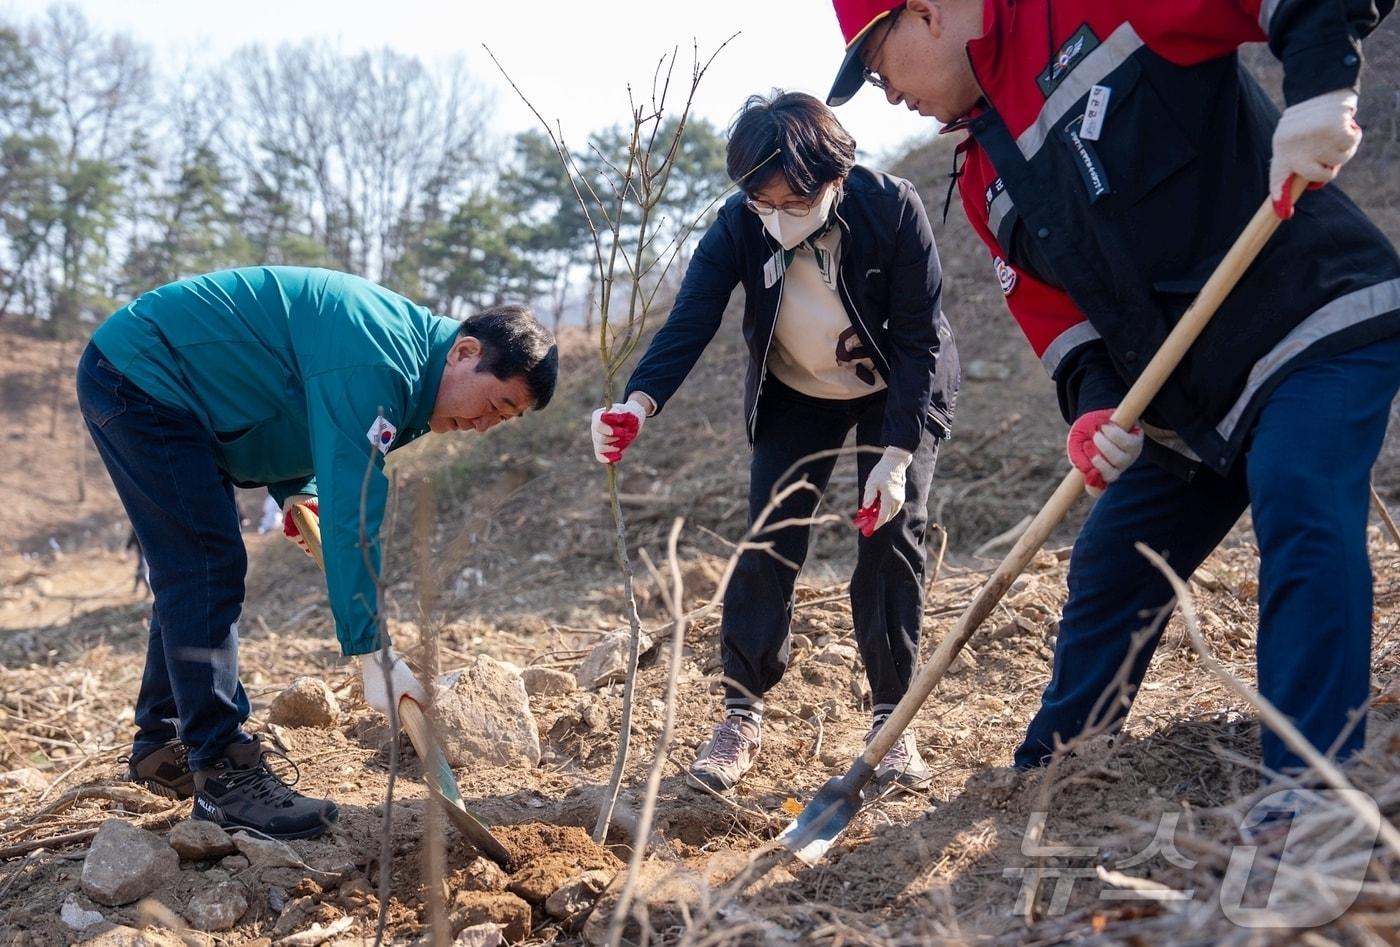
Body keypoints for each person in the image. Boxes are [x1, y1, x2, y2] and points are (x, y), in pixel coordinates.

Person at [825, 0, 1400, 776]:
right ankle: (1053, 771)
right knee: (1109, 560)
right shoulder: (984, 176)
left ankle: (1312, 784)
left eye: (874, 62)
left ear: (924, 13)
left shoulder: (1090, 7)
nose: (884, 92)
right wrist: (1095, 406)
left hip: (1307, 320)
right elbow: (1061, 324)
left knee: (1298, 494)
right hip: (1185, 401)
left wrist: (1323, 88)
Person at [78, 266, 558, 838]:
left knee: (196, 567)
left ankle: (164, 743)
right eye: (494, 403)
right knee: (205, 566)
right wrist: (373, 649)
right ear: (466, 351)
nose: (483, 425)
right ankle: (223, 774)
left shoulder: (410, 375)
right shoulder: (381, 359)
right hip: (144, 373)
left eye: (502, 421)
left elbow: (301, 410)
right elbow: (356, 506)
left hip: (172, 384)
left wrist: (297, 492)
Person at [590, 91, 959, 794]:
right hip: (798, 392)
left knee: (890, 538)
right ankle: (741, 712)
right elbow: (691, 317)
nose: (776, 219)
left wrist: (899, 455)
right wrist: (637, 403)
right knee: (769, 536)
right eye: (763, 202)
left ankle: (892, 719)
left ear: (835, 179)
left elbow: (920, 339)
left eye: (795, 203)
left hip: (894, 391)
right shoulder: (740, 224)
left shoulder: (893, 209)